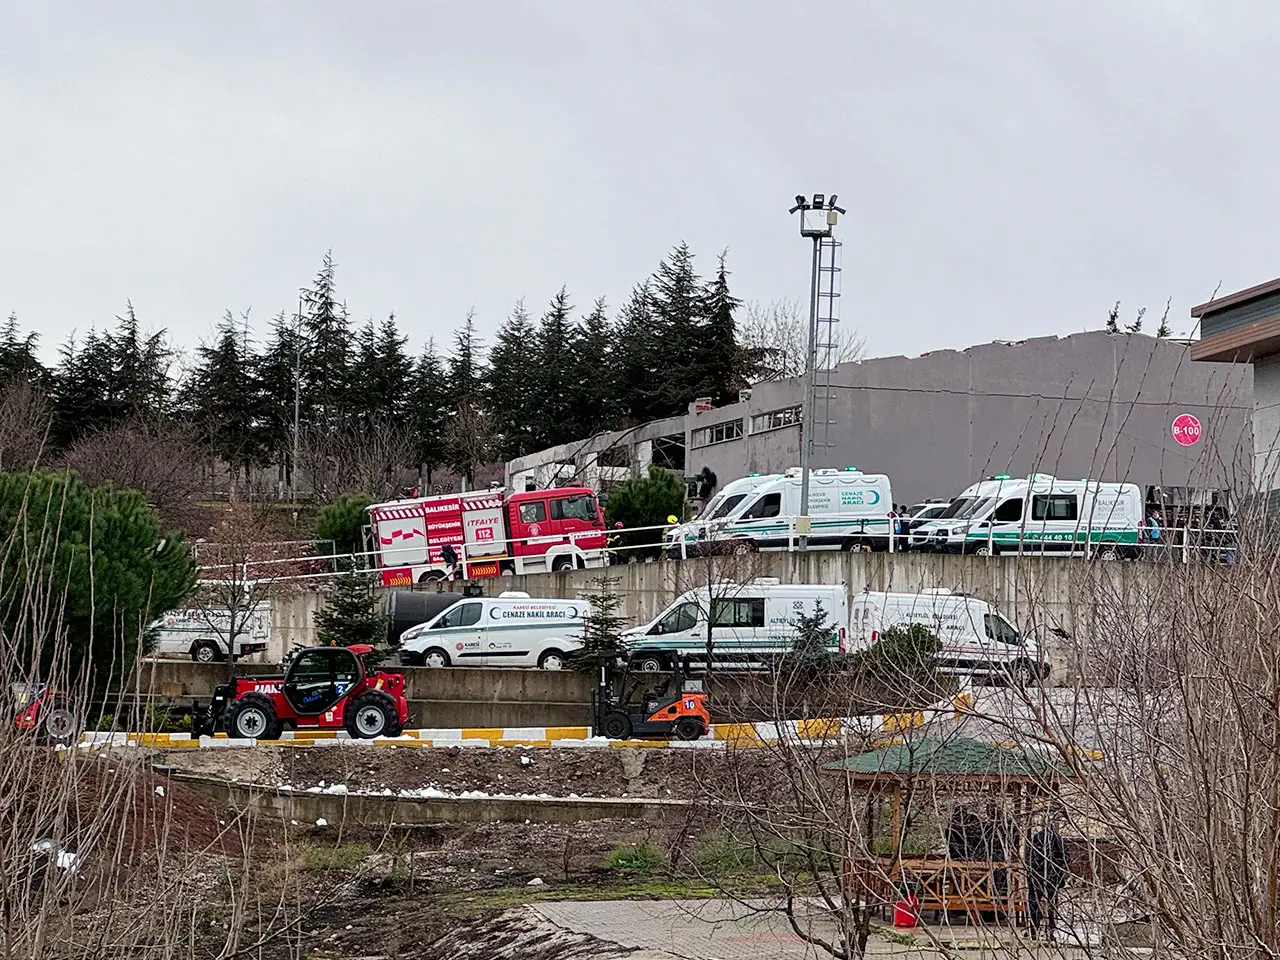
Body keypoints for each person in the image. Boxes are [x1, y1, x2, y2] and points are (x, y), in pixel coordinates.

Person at [1026, 816, 1068, 941]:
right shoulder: (1058, 840)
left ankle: (1034, 930)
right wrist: (1058, 871)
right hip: (1051, 877)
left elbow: (1029, 857)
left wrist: (1033, 870)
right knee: (1051, 903)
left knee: (1034, 902)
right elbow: (1065, 858)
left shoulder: (1037, 838)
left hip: (1037, 876)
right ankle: (1050, 930)